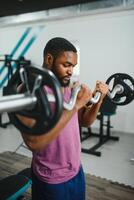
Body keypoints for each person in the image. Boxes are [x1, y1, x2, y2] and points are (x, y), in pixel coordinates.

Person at [19, 37, 109, 200]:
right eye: (66, 65)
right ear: (49, 59)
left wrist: (99, 98)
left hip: (76, 170)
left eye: (73, 66)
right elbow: (33, 143)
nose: (71, 71)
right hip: (50, 177)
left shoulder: (67, 87)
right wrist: (76, 105)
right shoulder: (28, 90)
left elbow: (85, 121)